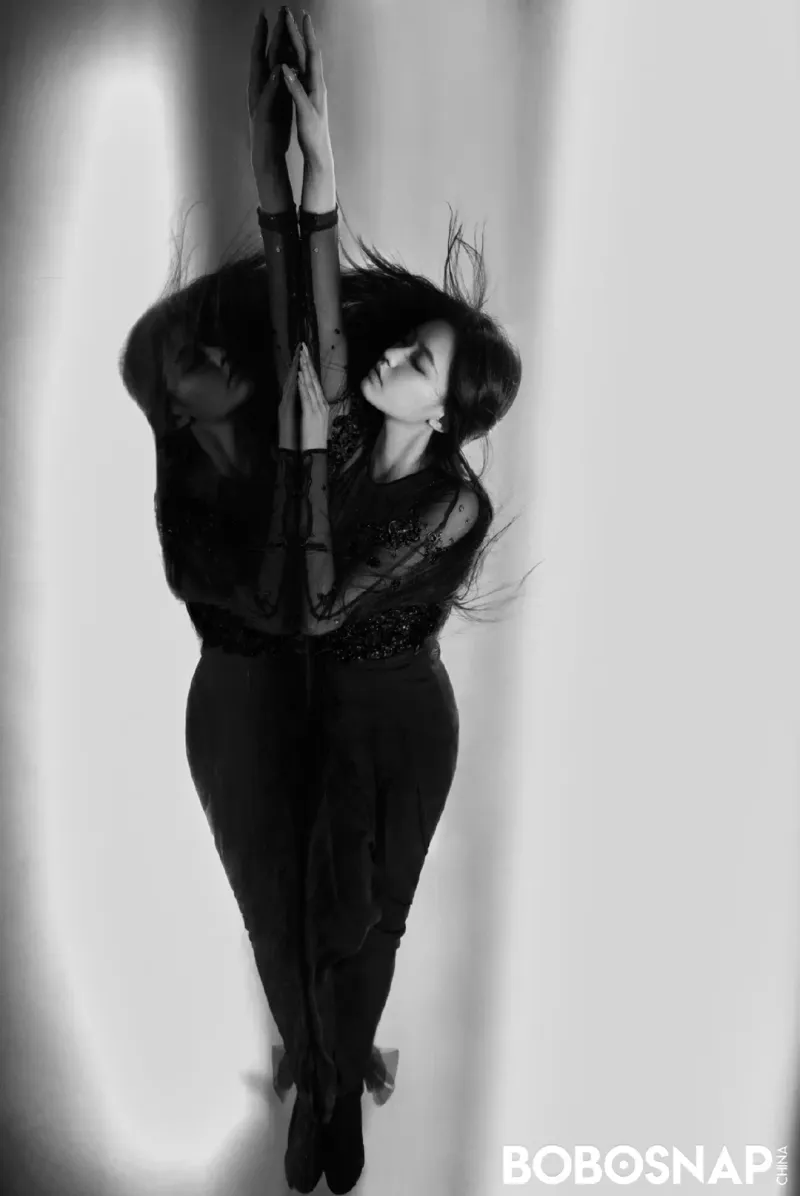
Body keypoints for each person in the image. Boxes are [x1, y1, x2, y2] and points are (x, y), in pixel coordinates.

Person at [119, 8, 524, 1193]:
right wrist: (301, 178)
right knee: (281, 905)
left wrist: (301, 454)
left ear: (446, 412)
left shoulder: (448, 505)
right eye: (401, 349)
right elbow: (315, 328)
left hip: (398, 714)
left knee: (365, 912)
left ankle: (337, 1080)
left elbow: (319, 608)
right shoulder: (313, 442)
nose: (391, 357)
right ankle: (320, 1073)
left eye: (417, 362)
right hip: (293, 698)